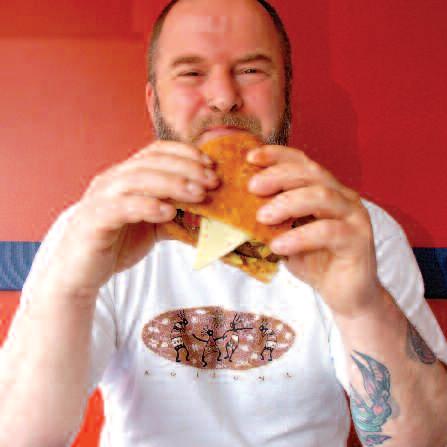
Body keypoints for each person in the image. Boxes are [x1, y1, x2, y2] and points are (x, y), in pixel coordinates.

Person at [1, 0, 447, 446]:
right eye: (191, 73)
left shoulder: (353, 233)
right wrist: (71, 290)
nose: (223, 96)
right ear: (154, 102)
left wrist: (363, 306)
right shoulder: (94, 230)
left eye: (251, 70)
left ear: (285, 93)